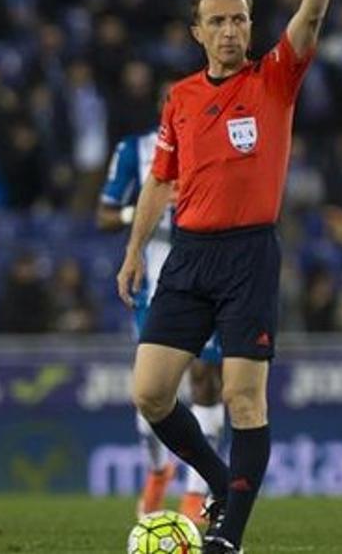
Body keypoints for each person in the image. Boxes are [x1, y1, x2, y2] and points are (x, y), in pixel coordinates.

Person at [116, 0, 342, 553]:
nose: (230, 30)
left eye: (239, 19)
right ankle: (220, 479)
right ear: (196, 32)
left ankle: (228, 538)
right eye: (216, 21)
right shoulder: (181, 98)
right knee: (151, 392)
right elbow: (161, 178)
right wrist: (134, 254)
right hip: (187, 255)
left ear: (250, 25)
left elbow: (312, 12)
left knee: (246, 398)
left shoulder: (274, 78)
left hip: (248, 255)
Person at [98, 87, 225, 524]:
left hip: (207, 273)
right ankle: (158, 470)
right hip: (155, 283)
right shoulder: (136, 149)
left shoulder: (217, 140)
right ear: (165, 108)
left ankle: (195, 495)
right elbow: (104, 214)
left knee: (207, 378)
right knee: (152, 392)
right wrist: (144, 212)